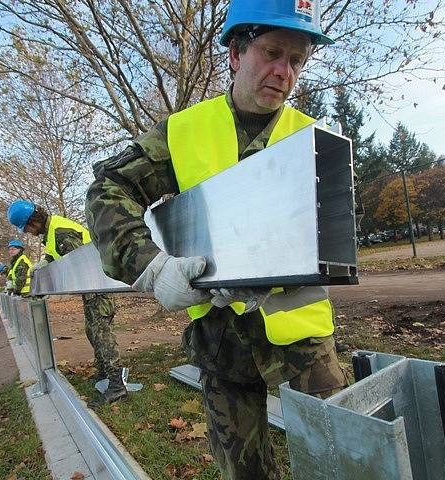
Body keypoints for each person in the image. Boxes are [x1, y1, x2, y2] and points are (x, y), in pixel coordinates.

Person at [86, 1, 347, 478]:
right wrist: (150, 265)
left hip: (303, 337)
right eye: (271, 52)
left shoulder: (313, 136)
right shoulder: (183, 130)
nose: (283, 71)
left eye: (296, 61)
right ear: (235, 52)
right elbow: (107, 188)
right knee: (244, 472)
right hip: (221, 337)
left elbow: (337, 227)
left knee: (344, 458)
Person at [7, 199, 126, 405]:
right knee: (92, 330)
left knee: (101, 332)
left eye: (26, 228)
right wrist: (46, 262)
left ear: (32, 221)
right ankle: (104, 373)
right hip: (91, 288)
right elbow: (58, 256)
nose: (27, 233)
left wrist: (50, 282)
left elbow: (77, 264)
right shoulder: (53, 231)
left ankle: (117, 385)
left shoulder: (61, 231)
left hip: (98, 286)